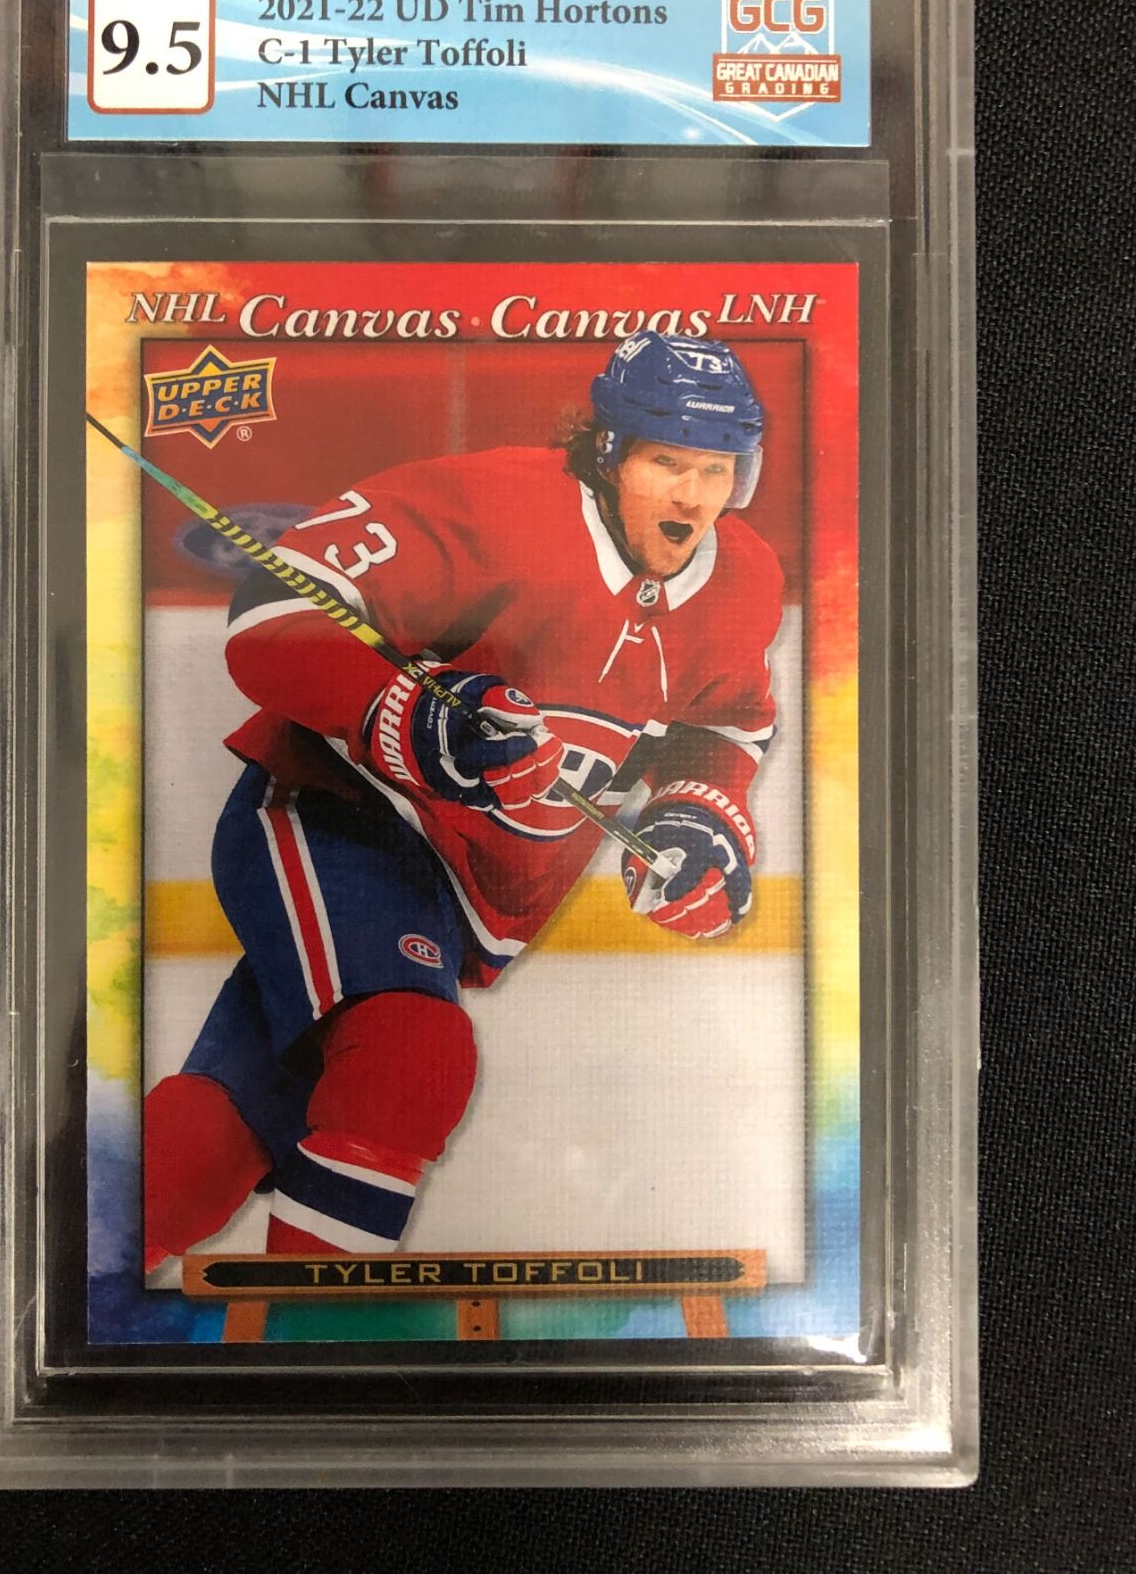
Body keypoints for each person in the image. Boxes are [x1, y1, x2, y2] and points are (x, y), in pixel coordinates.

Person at [144, 331, 784, 1268]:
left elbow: (724, 724)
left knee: (216, 1142)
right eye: (666, 462)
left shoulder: (742, 579)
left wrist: (693, 816)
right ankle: (313, 1337)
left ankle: (84, 1259)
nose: (693, 495)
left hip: (464, 896)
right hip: (342, 813)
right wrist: (415, 717)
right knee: (410, 1057)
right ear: (609, 453)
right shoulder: (492, 506)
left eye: (716, 469)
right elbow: (274, 611)